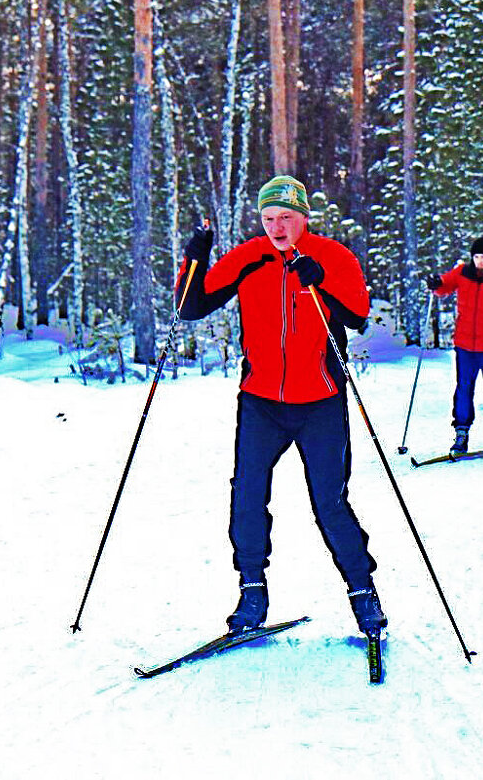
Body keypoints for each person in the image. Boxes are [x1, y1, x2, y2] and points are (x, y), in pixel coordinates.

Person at [174, 175, 387, 637]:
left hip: (321, 402)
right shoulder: (249, 258)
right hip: (262, 401)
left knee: (329, 502)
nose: (277, 226)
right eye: (269, 218)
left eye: (286, 217)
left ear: (304, 218)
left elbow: (358, 315)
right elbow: (191, 307)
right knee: (247, 493)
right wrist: (197, 254)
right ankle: (252, 589)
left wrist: (322, 281)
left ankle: (362, 591)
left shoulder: (333, 256)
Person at [425, 236, 483, 455]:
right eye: (476, 257)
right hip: (465, 344)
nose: (479, 261)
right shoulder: (463, 272)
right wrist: (437, 283)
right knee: (463, 389)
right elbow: (445, 285)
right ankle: (461, 433)